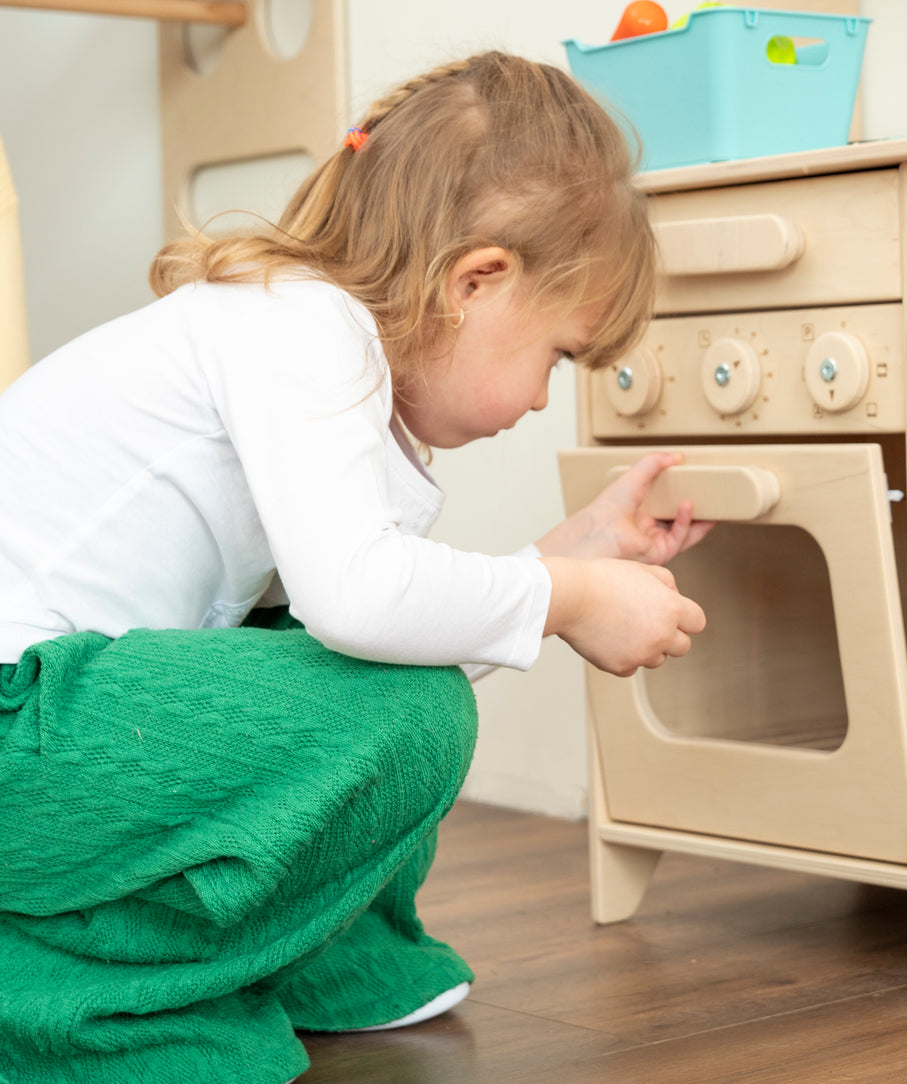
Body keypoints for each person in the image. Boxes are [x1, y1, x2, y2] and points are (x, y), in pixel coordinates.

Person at [0, 51, 708, 1084]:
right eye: (556, 355)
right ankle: (69, 1002)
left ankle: (323, 963)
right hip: (20, 722)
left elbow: (366, 635)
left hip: (46, 719)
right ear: (477, 279)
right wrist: (568, 596)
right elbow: (361, 604)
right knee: (410, 716)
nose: (544, 398)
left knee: (376, 693)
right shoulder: (302, 324)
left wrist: (556, 563)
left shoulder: (301, 340)